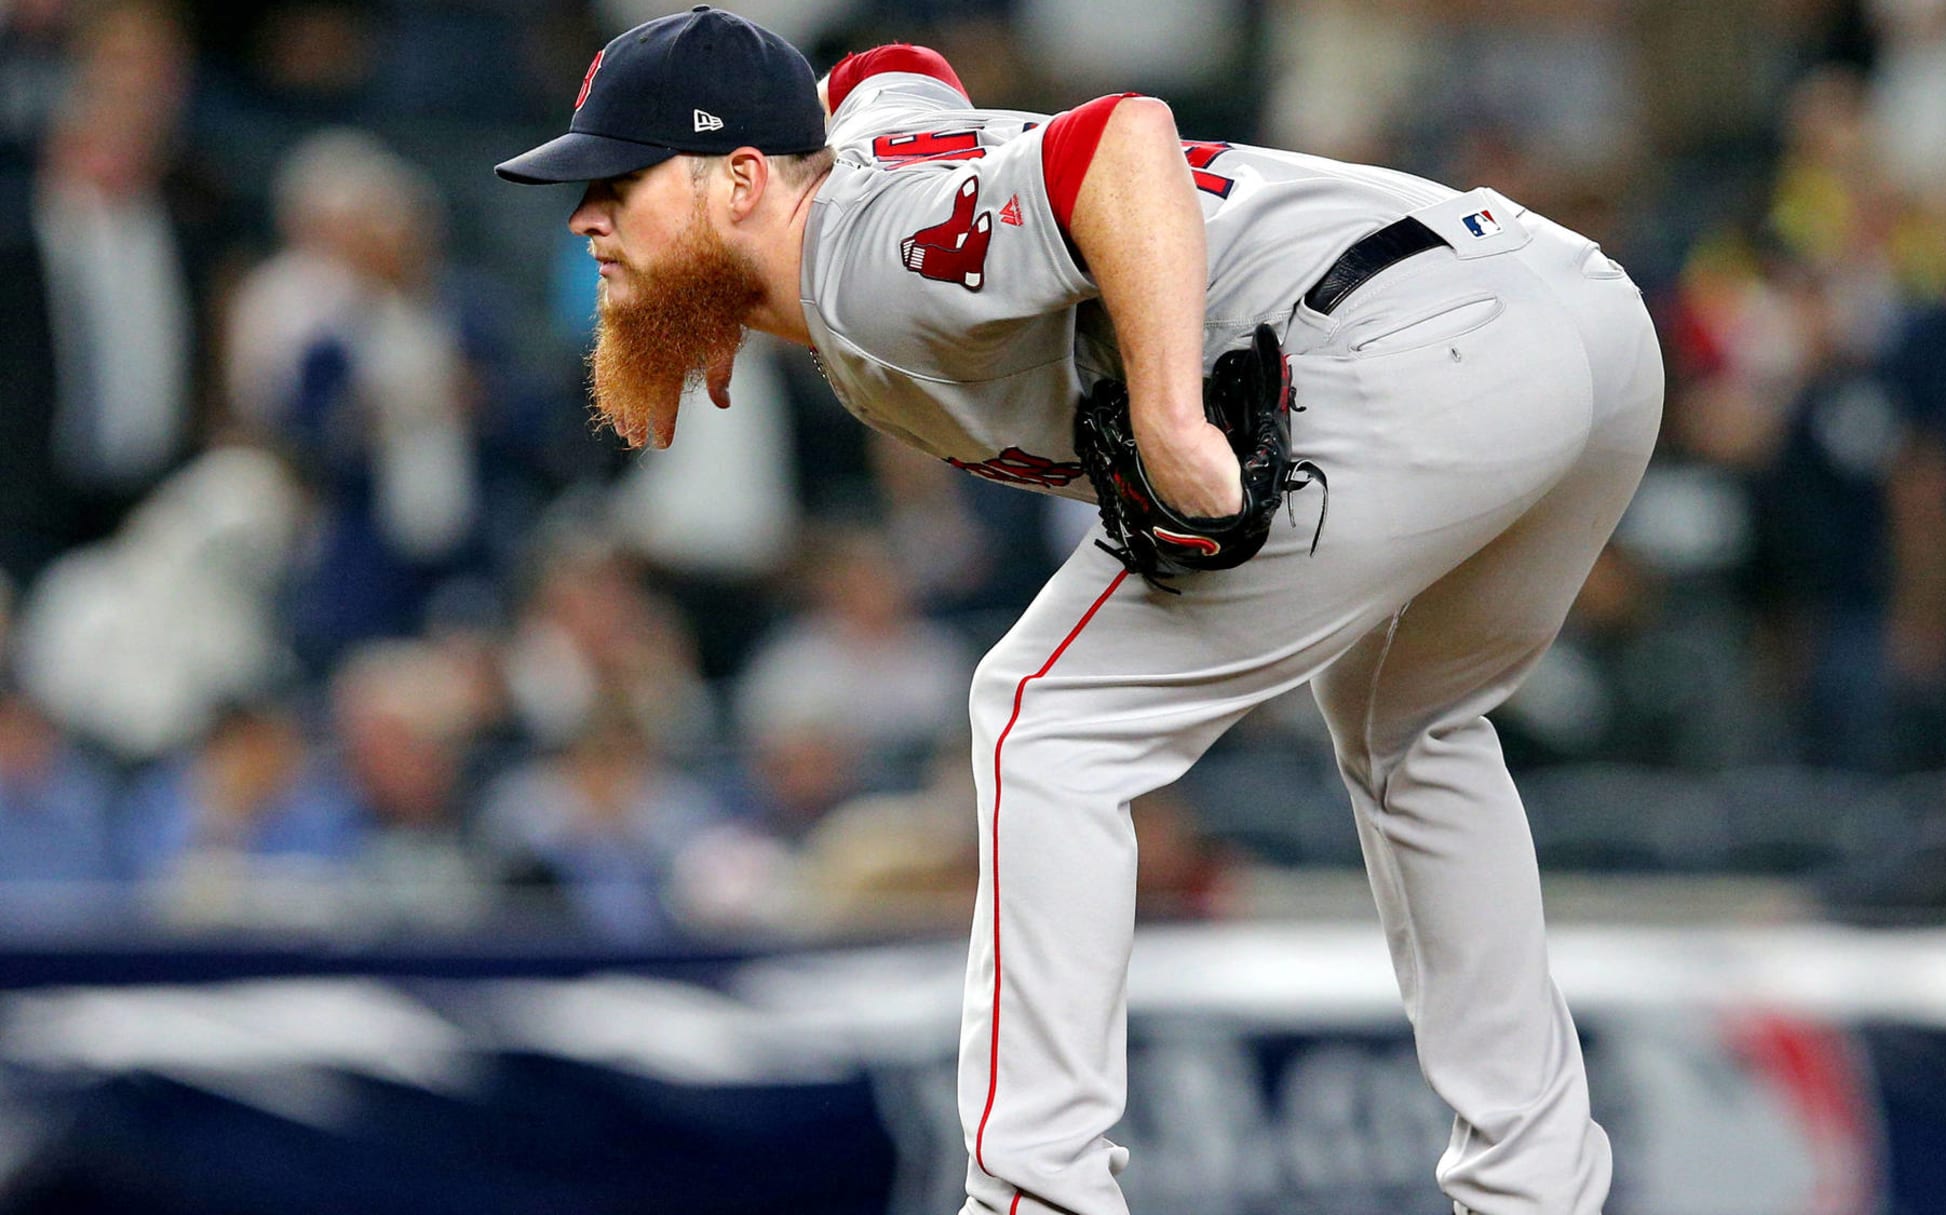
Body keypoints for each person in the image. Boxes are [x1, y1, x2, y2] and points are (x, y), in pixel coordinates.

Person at [496, 10, 1663, 1215]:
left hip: (1406, 343)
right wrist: (727, 280)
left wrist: (1165, 413)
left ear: (742, 179)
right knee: (1410, 733)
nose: (586, 216)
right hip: (1573, 316)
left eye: (619, 183)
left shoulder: (860, 254)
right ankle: (1535, 1188)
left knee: (1040, 717)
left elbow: (1115, 144)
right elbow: (894, 73)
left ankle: (1032, 1196)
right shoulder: (849, 178)